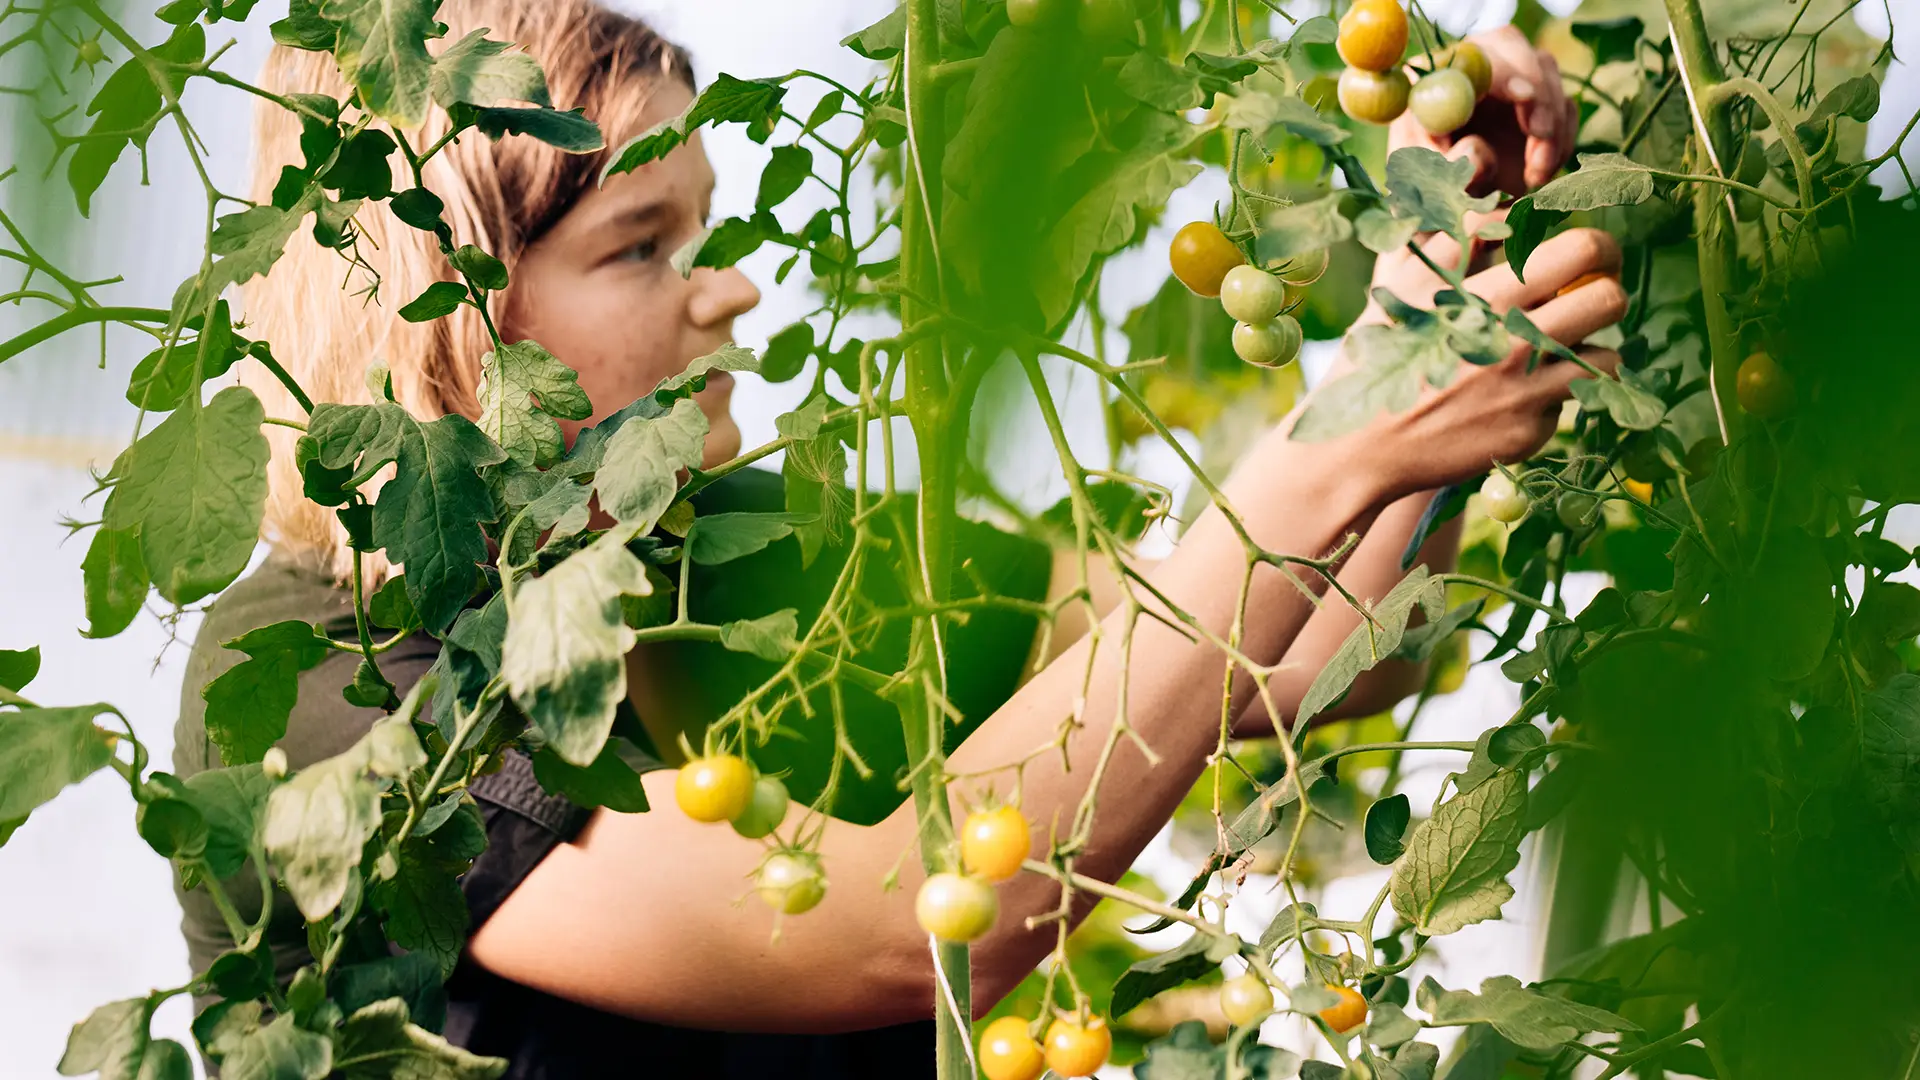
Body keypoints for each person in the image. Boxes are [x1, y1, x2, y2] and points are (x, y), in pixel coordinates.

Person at [171, 1, 1621, 1076]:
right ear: (454, 296)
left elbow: (1299, 669)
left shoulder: (763, 551)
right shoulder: (323, 684)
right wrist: (1333, 455)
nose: (727, 293)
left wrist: (1412, 354)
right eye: (641, 246)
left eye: (708, 233)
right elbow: (887, 929)